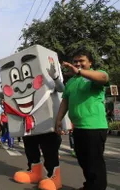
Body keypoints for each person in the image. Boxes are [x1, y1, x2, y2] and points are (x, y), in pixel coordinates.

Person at [56, 49, 109, 190]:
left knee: (94, 163)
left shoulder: (94, 76)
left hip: (94, 127)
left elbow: (104, 78)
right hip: (78, 128)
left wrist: (79, 71)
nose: (78, 64)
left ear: (90, 62)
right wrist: (58, 119)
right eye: (75, 61)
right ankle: (89, 185)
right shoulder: (71, 82)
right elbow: (65, 102)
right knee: (83, 160)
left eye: (81, 61)